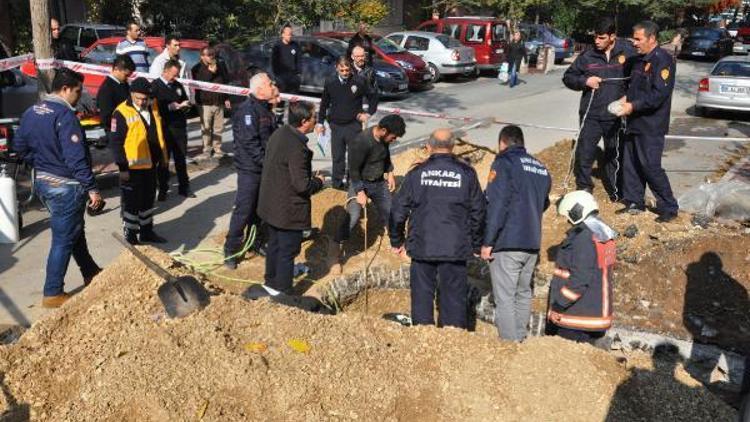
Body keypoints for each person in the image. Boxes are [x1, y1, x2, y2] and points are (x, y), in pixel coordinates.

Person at [13, 68, 102, 307]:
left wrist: (41, 164)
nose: (79, 95)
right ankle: (52, 292)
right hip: (66, 186)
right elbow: (76, 159)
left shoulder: (31, 112)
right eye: (77, 91)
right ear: (64, 89)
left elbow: (19, 147)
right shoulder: (65, 116)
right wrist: (92, 188)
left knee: (74, 230)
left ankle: (90, 270)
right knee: (63, 239)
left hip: (43, 182)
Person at [389, 129, 486, 329]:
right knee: (454, 297)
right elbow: (479, 211)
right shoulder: (466, 173)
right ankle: (453, 338)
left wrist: (396, 241)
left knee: (422, 296)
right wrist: (477, 243)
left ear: (429, 146)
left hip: (423, 245)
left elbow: (398, 211)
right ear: (452, 146)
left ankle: (424, 338)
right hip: (455, 247)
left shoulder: (416, 173)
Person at [481, 125, 551, 341]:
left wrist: (487, 242)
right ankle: (519, 339)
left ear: (502, 143)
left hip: (507, 242)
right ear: (521, 142)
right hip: (531, 242)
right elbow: (544, 203)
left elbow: (496, 204)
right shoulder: (540, 168)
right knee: (523, 293)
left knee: (505, 298)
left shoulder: (504, 163)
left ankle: (509, 347)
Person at [563, 18, 636, 201]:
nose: (597, 41)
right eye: (595, 37)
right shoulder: (587, 56)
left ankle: (616, 190)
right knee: (585, 153)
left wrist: (629, 99)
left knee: (614, 153)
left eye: (602, 38)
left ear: (613, 36)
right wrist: (584, 81)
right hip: (591, 115)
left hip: (615, 115)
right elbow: (568, 77)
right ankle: (584, 188)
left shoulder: (627, 52)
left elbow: (640, 75)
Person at [257, 101, 324, 293]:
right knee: (287, 252)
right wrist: (318, 181)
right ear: (304, 121)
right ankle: (283, 293)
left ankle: (270, 284)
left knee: (274, 247)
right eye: (314, 118)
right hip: (287, 210)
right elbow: (301, 185)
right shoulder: (297, 147)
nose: (316, 121)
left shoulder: (280, 133)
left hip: (271, 205)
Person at [616, 21, 679, 223]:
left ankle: (668, 206)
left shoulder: (663, 60)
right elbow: (634, 88)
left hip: (651, 124)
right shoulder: (638, 60)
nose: (634, 43)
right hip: (633, 121)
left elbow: (658, 95)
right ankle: (635, 201)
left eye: (638, 39)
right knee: (631, 163)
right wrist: (624, 100)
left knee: (650, 165)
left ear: (652, 39)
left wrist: (632, 106)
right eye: (633, 38)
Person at [223, 72, 279, 269]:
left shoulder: (266, 110)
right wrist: (268, 163)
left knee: (261, 210)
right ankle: (231, 250)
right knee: (244, 210)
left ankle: (255, 242)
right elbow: (250, 143)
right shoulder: (248, 111)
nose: (273, 86)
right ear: (259, 90)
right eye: (270, 84)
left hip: (265, 168)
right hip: (250, 170)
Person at [547, 190, 616, 343]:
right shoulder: (602, 233)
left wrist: (559, 305)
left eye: (567, 216)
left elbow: (580, 279)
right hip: (595, 312)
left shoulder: (583, 238)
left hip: (578, 317)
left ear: (576, 212)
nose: (568, 221)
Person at [334, 114, 405, 263]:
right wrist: (360, 192)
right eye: (393, 137)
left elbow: (386, 156)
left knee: (392, 213)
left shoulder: (384, 139)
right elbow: (353, 170)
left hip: (378, 183)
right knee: (353, 216)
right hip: (359, 182)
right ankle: (335, 247)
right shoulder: (361, 142)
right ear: (384, 130)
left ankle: (397, 245)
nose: (394, 140)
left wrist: (390, 173)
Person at [109, 77, 168, 245]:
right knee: (131, 204)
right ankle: (131, 235)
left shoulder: (152, 107)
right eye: (139, 99)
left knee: (148, 200)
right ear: (131, 94)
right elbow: (116, 143)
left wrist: (163, 157)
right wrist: (122, 168)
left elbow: (159, 133)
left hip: (150, 164)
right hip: (132, 167)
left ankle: (147, 231)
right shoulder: (121, 113)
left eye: (145, 98)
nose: (142, 102)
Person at [316, 57, 371, 190]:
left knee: (354, 157)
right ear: (337, 68)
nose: (345, 72)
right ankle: (337, 186)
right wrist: (320, 122)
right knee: (338, 158)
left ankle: (353, 185)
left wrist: (368, 113)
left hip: (353, 126)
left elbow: (373, 96)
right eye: (342, 70)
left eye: (347, 70)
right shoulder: (330, 82)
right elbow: (324, 103)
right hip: (336, 126)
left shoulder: (359, 81)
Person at [151, 59, 194, 199]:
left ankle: (184, 187)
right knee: (164, 160)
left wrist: (185, 105)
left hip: (179, 127)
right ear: (165, 71)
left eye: (177, 75)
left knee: (181, 158)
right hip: (164, 128)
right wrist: (171, 107)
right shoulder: (155, 86)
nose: (175, 77)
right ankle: (163, 189)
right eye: (173, 74)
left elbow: (184, 98)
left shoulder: (178, 85)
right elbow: (152, 108)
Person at [192, 46, 231, 159]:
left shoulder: (221, 65)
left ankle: (217, 147)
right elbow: (201, 83)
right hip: (205, 103)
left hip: (218, 101)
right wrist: (211, 72)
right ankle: (207, 148)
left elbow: (225, 82)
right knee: (206, 127)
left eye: (212, 54)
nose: (211, 57)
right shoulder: (197, 68)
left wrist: (226, 97)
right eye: (208, 55)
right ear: (202, 56)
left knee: (218, 127)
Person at [97, 54, 135, 145]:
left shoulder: (123, 83)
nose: (127, 78)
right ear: (116, 69)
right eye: (126, 75)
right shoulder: (107, 88)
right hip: (116, 133)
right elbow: (106, 116)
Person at [271, 24, 302, 94]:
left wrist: (298, 74)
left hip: (293, 77)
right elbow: (274, 62)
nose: (290, 36)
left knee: (293, 98)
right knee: (281, 98)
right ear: (283, 34)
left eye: (291, 34)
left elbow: (299, 60)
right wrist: (277, 75)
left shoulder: (295, 45)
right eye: (288, 34)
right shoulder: (277, 46)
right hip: (281, 77)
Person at [350, 45, 379, 115]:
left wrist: (370, 112)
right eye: (357, 56)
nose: (360, 58)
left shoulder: (370, 71)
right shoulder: (347, 70)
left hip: (364, 108)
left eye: (362, 56)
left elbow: (375, 93)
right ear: (352, 57)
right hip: (349, 108)